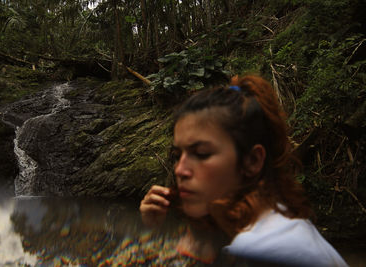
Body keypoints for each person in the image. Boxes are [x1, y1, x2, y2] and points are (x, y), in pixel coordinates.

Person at [140, 75, 348, 266]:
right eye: (178, 155)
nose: (179, 170)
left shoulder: (264, 250)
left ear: (252, 160)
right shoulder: (275, 222)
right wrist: (155, 229)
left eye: (202, 153)